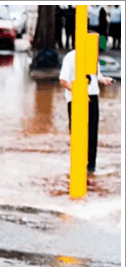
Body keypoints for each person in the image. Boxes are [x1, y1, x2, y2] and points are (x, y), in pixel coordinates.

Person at [59, 47, 114, 175]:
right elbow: (63, 81)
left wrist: (103, 79)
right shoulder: (70, 57)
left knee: (92, 133)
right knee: (78, 133)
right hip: (76, 98)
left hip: (93, 96)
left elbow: (95, 75)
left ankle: (91, 168)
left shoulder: (92, 56)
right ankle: (77, 168)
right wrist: (78, 93)